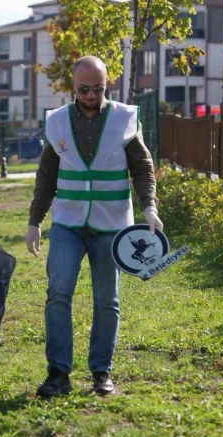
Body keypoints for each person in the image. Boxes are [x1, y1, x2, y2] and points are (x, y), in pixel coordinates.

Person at [26, 56, 163, 398]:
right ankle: (58, 373)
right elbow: (46, 176)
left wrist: (149, 207)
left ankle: (101, 372)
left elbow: (142, 168)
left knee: (107, 299)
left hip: (111, 225)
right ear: (73, 87)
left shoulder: (124, 119)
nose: (90, 95)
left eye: (98, 89)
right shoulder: (57, 121)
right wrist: (34, 221)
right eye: (84, 89)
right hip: (67, 224)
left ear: (107, 85)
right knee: (58, 293)